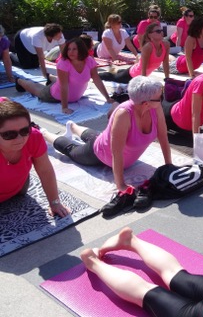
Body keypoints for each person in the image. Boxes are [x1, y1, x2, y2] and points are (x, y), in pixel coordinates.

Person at [41, 76, 172, 211]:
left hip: (104, 140)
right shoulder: (124, 114)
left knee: (96, 136)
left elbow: (163, 136)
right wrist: (120, 185)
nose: (162, 99)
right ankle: (45, 134)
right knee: (72, 149)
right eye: (159, 98)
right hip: (99, 154)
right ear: (146, 103)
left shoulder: (155, 108)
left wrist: (169, 166)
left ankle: (73, 127)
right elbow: (117, 152)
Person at [0, 98, 69, 217]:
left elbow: (45, 171)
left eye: (25, 131)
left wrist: (55, 202)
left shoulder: (34, 137)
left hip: (18, 189)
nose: (20, 139)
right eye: (9, 135)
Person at [16, 38, 113, 114]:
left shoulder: (89, 60)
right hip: (55, 95)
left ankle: (50, 78)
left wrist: (107, 98)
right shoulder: (64, 63)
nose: (71, 52)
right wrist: (64, 107)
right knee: (39, 91)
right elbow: (64, 86)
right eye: (69, 49)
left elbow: (96, 79)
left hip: (72, 93)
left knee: (61, 80)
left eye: (74, 49)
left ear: (81, 50)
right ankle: (20, 81)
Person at [99, 22, 170, 84]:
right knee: (113, 77)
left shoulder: (166, 44)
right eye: (158, 31)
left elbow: (166, 63)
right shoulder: (148, 47)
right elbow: (143, 68)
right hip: (133, 75)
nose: (161, 32)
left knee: (121, 72)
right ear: (150, 35)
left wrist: (167, 79)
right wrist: (143, 84)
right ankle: (96, 75)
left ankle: (116, 70)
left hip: (136, 71)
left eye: (161, 30)